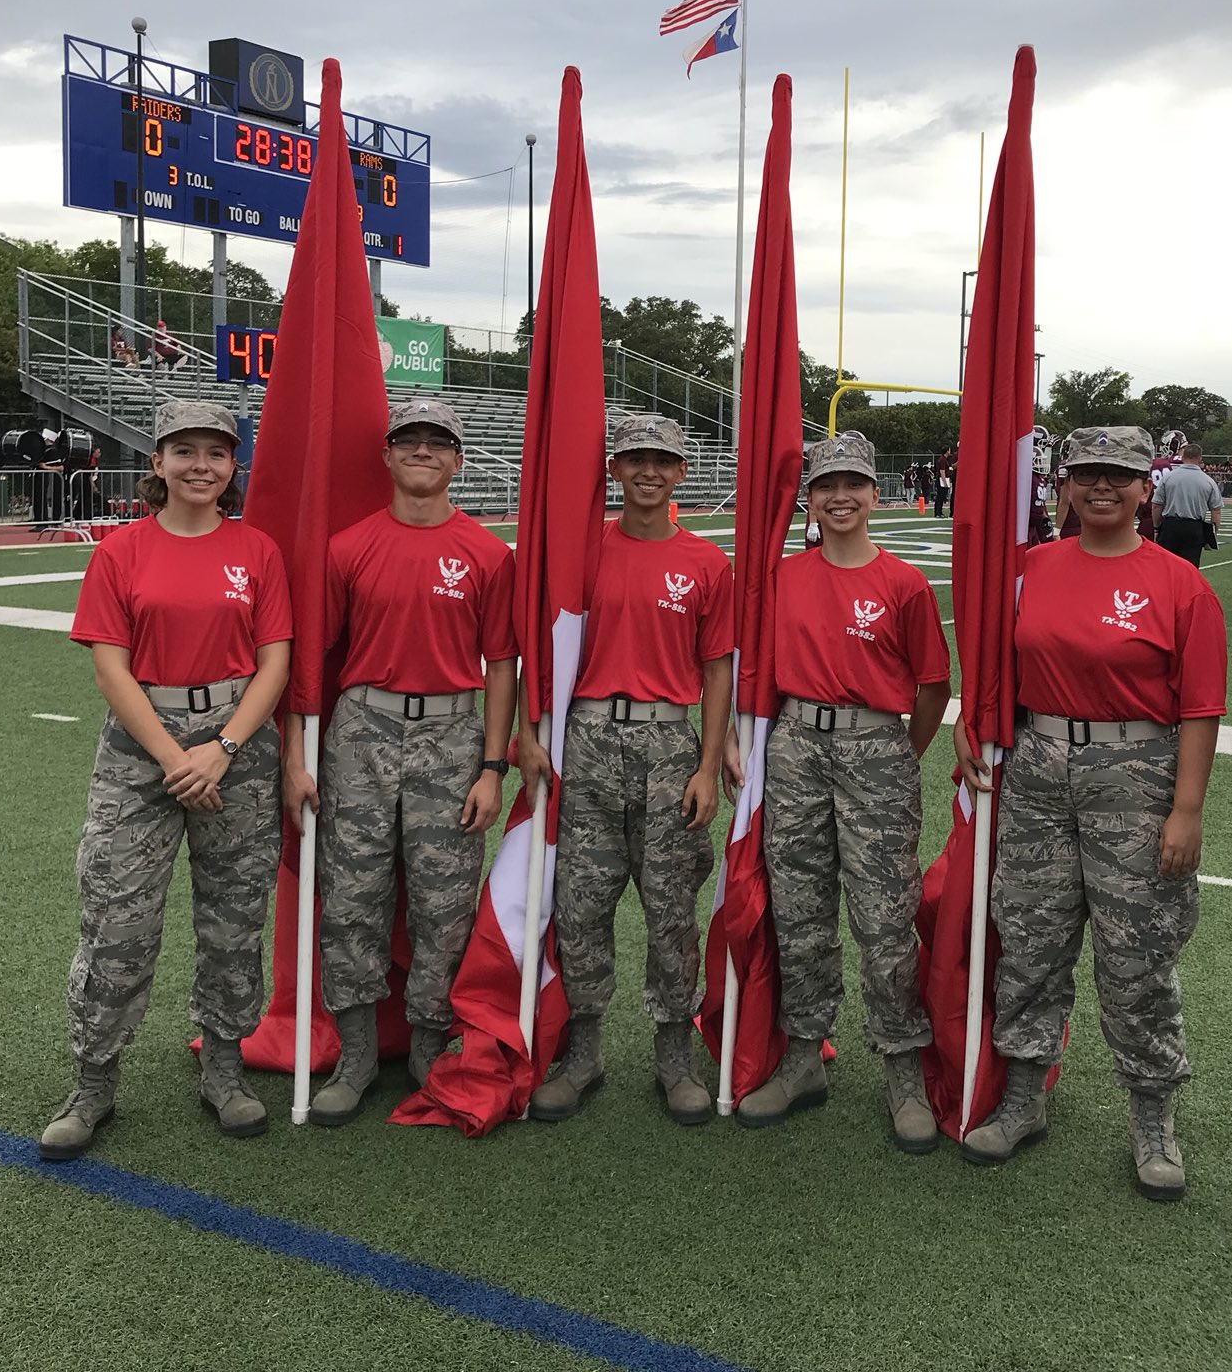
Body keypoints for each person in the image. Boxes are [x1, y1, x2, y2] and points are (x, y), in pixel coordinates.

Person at [956, 427, 1223, 1196]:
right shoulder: (1030, 570)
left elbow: (1201, 708)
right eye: (1088, 474)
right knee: (1031, 938)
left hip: (1136, 775)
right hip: (1038, 770)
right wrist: (974, 719)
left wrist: (1187, 809)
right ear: (1065, 485)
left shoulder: (1179, 584)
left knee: (1136, 954)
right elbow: (996, 669)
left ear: (1147, 488)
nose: (1103, 487)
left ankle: (1152, 1115)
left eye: (1120, 475)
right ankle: (1023, 1094)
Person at [40, 401, 293, 1161]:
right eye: (184, 451)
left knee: (234, 918)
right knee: (117, 918)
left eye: (216, 453)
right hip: (139, 748)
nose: (200, 466)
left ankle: (224, 1067)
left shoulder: (257, 550)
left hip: (237, 746)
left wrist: (222, 746)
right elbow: (109, 667)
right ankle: (94, 1082)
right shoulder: (121, 551)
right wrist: (175, 757)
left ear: (232, 467)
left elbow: (275, 660)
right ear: (157, 463)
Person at [286, 398, 519, 1126]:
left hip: (452, 737)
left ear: (458, 461)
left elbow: (502, 665)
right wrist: (296, 755)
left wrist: (492, 767)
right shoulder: (347, 548)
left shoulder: (487, 554)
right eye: (409, 440)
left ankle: (427, 1043)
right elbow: (311, 660)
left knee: (443, 904)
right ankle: (357, 1052)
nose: (423, 451)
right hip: (361, 731)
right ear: (387, 456)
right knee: (351, 897)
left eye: (438, 442)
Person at [736, 432, 951, 1149]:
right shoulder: (782, 578)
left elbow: (932, 686)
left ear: (874, 494)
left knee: (884, 918)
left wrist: (897, 752)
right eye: (826, 486)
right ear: (810, 499)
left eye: (853, 484)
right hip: (796, 743)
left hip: (876, 747)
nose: (839, 498)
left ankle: (901, 1065)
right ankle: (803, 1055)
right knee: (799, 912)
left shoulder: (903, 583)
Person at [530, 414, 734, 1126]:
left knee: (671, 909)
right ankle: (582, 1053)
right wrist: (531, 732)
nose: (649, 470)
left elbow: (717, 669)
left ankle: (674, 1057)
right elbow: (540, 645)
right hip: (587, 740)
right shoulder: (580, 553)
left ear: (681, 472)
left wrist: (707, 765)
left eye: (663, 460)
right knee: (581, 905)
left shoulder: (706, 564)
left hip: (668, 743)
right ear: (614, 469)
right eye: (635, 458)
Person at [1153, 442, 1222, 568]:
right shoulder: (1208, 481)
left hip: (1170, 526)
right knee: (1190, 570)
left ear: (1183, 457)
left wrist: (1157, 528)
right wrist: (1212, 535)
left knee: (1166, 568)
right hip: (1194, 528)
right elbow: (1216, 511)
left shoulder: (1168, 478)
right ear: (1200, 458)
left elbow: (1157, 505)